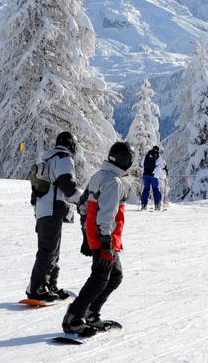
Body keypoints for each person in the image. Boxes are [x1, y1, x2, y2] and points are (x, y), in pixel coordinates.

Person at [64, 141, 135, 337]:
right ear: (124, 160)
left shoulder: (99, 176)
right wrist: (104, 243)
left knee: (114, 276)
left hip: (100, 236)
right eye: (130, 158)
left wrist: (86, 235)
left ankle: (90, 313)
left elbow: (82, 205)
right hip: (106, 238)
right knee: (100, 277)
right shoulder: (113, 181)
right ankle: (74, 317)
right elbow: (106, 215)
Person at [27, 132, 83, 303]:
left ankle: (49, 285)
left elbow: (35, 193)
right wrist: (82, 200)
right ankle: (38, 287)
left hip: (43, 211)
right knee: (49, 251)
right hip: (52, 209)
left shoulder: (46, 160)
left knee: (51, 250)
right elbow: (67, 185)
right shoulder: (64, 159)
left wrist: (38, 212)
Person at [140, 146, 167, 211]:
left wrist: (144, 171)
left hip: (145, 175)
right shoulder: (158, 157)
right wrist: (166, 174)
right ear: (158, 151)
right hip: (154, 176)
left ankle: (143, 205)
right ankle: (157, 205)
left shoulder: (146, 156)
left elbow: (141, 166)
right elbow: (163, 167)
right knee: (155, 189)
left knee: (146, 189)